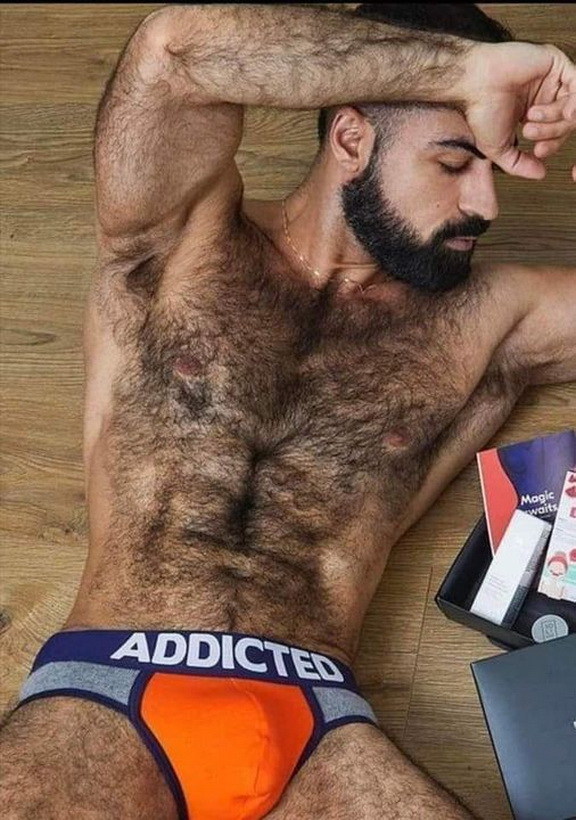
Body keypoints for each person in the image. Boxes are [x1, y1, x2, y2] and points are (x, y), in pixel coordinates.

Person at [1, 4, 575, 819]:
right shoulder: (181, 238)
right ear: (351, 138)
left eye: (495, 170)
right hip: (105, 691)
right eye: (455, 162)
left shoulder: (488, 316)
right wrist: (465, 72)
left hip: (321, 724)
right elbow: (172, 53)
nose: (485, 202)